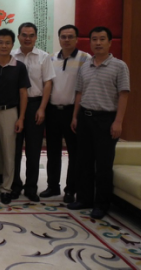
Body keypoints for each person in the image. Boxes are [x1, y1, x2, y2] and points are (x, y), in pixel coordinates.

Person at [68, 26, 130, 219]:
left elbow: (124, 95)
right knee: (83, 162)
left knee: (103, 164)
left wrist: (118, 122)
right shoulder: (85, 65)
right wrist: (75, 117)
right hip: (85, 118)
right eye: (94, 39)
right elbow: (79, 93)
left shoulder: (119, 66)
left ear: (110, 42)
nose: (98, 43)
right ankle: (84, 199)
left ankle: (101, 204)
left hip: (106, 119)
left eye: (102, 39)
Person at [40, 25, 90, 203]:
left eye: (70, 36)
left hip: (72, 112)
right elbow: (48, 85)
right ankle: (53, 186)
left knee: (74, 152)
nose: (66, 40)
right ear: (59, 38)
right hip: (53, 110)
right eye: (63, 36)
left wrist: (76, 116)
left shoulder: (85, 58)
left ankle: (71, 189)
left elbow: (84, 88)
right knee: (53, 151)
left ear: (77, 39)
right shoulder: (51, 58)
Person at [0, 28, 30, 205]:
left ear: (12, 44)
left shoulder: (19, 67)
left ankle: (6, 189)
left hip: (10, 113)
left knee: (9, 153)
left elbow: (23, 94)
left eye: (7, 43)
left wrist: (21, 118)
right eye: (0, 42)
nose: (4, 46)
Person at [11, 22, 55, 202]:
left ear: (36, 37)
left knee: (33, 149)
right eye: (24, 35)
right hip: (14, 106)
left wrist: (42, 108)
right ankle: (14, 185)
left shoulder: (44, 57)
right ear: (18, 37)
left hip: (36, 105)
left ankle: (31, 187)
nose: (27, 38)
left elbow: (48, 83)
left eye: (31, 35)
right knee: (14, 149)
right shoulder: (11, 56)